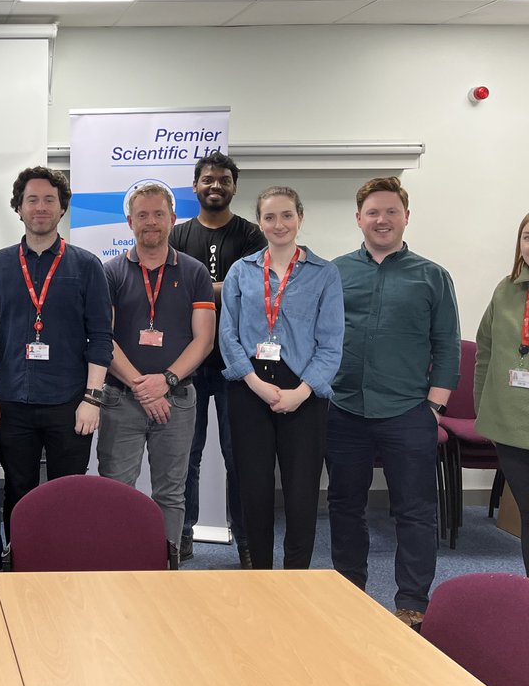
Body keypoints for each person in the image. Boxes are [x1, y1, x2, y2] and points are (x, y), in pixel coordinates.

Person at [329, 176, 460, 628]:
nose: (381, 220)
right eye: (373, 212)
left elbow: (446, 345)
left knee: (416, 511)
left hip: (408, 412)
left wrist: (435, 408)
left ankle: (412, 605)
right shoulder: (335, 272)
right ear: (359, 218)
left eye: (391, 211)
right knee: (345, 506)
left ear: (406, 216)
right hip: (344, 408)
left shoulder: (432, 275)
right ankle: (348, 592)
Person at [0, 166, 113, 540]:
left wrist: (92, 399)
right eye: (31, 199)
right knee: (18, 489)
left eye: (49, 200)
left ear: (62, 208)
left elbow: (101, 338)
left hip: (70, 403)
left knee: (68, 492)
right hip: (13, 402)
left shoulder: (86, 266)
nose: (40, 207)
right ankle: (19, 559)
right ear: (18, 207)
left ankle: (63, 564)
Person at [220, 186, 343, 571]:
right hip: (250, 388)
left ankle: (296, 577)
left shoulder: (325, 274)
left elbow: (331, 343)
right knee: (253, 490)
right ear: (259, 222)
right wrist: (254, 384)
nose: (279, 224)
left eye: (287, 215)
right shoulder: (241, 271)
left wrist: (301, 393)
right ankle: (259, 575)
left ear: (300, 218)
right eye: (270, 217)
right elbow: (229, 334)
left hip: (304, 391)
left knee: (301, 492)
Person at [98, 184, 215, 568]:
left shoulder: (195, 272)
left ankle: (164, 571)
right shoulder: (110, 272)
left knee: (171, 493)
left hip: (177, 400)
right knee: (116, 491)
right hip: (121, 400)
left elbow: (204, 340)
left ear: (172, 218)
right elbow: (105, 339)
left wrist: (165, 381)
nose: (151, 222)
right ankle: (117, 567)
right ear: (130, 221)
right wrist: (140, 386)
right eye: (143, 215)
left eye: (159, 214)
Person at [170, 152, 263, 567]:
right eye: (208, 179)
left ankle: (246, 539)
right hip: (187, 361)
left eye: (224, 180)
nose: (215, 186)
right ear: (195, 186)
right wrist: (221, 287)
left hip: (238, 364)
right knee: (184, 456)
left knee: (237, 456)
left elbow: (253, 288)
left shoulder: (251, 235)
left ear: (233, 187)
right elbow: (170, 290)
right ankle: (183, 535)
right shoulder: (177, 235)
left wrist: (199, 288)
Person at [475, 212, 529, 575]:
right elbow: (485, 350)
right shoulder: (505, 290)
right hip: (511, 425)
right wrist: (485, 409)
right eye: (527, 237)